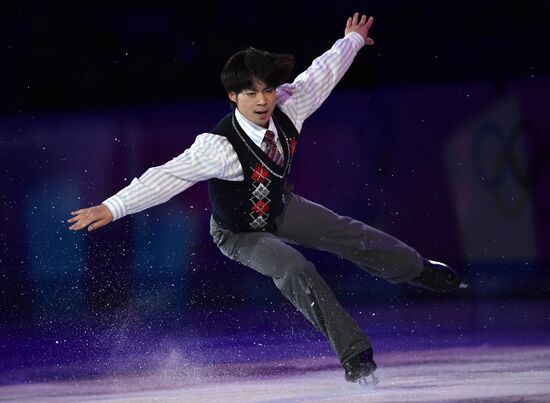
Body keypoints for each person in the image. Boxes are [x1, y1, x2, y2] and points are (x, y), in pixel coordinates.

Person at [68, 12, 462, 384]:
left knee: (352, 234)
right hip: (239, 233)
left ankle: (418, 270)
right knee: (294, 267)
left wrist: (353, 41)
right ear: (232, 97)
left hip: (279, 207)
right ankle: (355, 355)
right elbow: (166, 177)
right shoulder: (218, 147)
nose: (262, 101)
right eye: (251, 93)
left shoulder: (291, 106)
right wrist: (113, 206)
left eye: (268, 90)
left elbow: (323, 72)